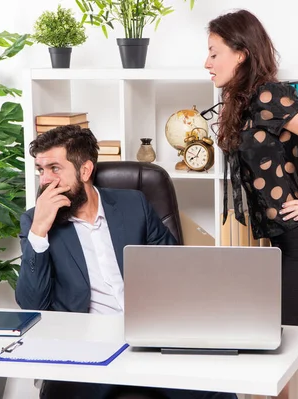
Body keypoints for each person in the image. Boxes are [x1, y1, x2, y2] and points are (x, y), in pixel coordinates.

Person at [15, 125, 237, 399]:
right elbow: (31, 304)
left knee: (216, 391)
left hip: (149, 339)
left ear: (85, 170)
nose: (45, 180)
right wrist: (39, 232)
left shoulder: (134, 204)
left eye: (55, 169)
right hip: (86, 347)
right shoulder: (35, 221)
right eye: (41, 170)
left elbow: (176, 270)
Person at [204, 9, 298, 399]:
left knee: (268, 351)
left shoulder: (270, 95)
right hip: (289, 246)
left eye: (214, 53)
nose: (207, 63)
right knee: (295, 352)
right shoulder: (244, 102)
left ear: (241, 53)